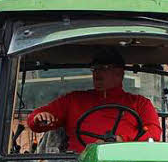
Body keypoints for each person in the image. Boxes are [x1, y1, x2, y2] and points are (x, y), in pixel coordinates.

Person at [27, 48, 161, 153]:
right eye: (95, 69)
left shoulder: (140, 103)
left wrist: (122, 141)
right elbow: (35, 120)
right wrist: (39, 118)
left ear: (119, 73)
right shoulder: (73, 100)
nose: (97, 73)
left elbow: (153, 134)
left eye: (104, 68)